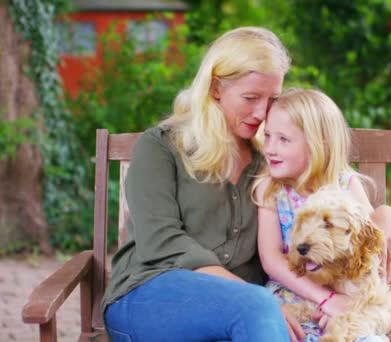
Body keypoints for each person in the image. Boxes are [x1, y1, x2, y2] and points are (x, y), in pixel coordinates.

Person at [102, 27, 303, 342]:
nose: (262, 112)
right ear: (215, 88)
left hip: (240, 315)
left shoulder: (273, 157)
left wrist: (383, 214)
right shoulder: (162, 146)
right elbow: (161, 242)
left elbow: (330, 181)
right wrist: (254, 300)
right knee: (258, 306)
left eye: (272, 100)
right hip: (149, 296)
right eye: (251, 98)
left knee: (258, 309)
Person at [254, 88, 391, 341]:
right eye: (267, 136)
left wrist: (388, 216)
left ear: (317, 144)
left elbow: (370, 229)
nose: (270, 149)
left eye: (283, 140)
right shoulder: (271, 188)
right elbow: (271, 259)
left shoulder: (344, 182)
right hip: (291, 298)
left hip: (346, 301)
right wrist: (326, 298)